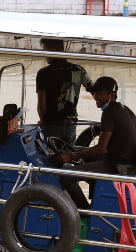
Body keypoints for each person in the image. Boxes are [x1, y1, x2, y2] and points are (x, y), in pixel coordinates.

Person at [58, 76, 136, 210]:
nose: (95, 96)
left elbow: (100, 148)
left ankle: (85, 212)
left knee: (66, 176)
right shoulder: (124, 109)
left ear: (112, 95)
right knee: (89, 163)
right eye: (94, 93)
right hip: (127, 161)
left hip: (119, 166)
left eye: (100, 93)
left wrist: (71, 156)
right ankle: (94, 202)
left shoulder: (109, 112)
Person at [36, 38, 93, 145]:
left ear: (52, 50)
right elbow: (94, 90)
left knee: (51, 156)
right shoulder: (78, 70)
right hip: (70, 124)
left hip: (51, 125)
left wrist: (43, 120)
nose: (43, 54)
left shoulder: (44, 73)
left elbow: (41, 103)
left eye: (44, 50)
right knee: (69, 155)